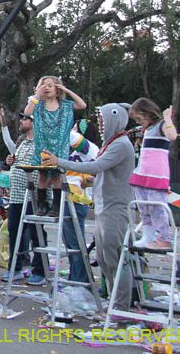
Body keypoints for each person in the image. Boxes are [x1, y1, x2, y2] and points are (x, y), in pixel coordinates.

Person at [45, 103, 135, 316]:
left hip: (115, 208)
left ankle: (121, 307)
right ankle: (113, 302)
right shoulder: (111, 143)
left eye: (103, 120)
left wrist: (61, 162)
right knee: (104, 258)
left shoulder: (121, 144)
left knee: (116, 258)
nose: (101, 124)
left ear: (115, 119)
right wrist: (93, 181)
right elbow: (105, 172)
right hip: (104, 206)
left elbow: (97, 165)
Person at [24, 76, 87, 216]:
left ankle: (56, 206)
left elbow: (82, 105)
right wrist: (36, 96)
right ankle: (41, 205)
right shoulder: (37, 105)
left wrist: (67, 90)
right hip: (43, 145)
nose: (46, 88)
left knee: (57, 176)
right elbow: (27, 113)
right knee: (42, 175)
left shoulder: (65, 105)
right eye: (43, 85)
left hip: (59, 147)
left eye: (50, 85)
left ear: (57, 89)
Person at [0, 109, 48, 285]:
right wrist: (12, 161)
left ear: (34, 122)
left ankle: (40, 272)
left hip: (33, 196)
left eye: (25, 119)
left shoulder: (42, 143)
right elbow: (11, 147)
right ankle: (15, 268)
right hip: (17, 197)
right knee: (14, 232)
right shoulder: (23, 144)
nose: (21, 121)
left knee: (36, 234)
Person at [128, 98, 178, 249]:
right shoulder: (147, 130)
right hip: (142, 173)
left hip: (156, 174)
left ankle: (164, 238)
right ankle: (148, 236)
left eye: (138, 118)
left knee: (157, 207)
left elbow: (172, 136)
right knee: (143, 207)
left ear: (146, 113)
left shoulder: (162, 125)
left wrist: (168, 118)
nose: (138, 122)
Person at [63, 118, 100, 286]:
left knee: (75, 243)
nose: (72, 130)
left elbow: (70, 137)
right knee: (70, 242)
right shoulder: (74, 151)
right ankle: (76, 276)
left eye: (75, 127)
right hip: (70, 200)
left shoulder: (88, 148)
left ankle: (80, 280)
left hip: (78, 201)